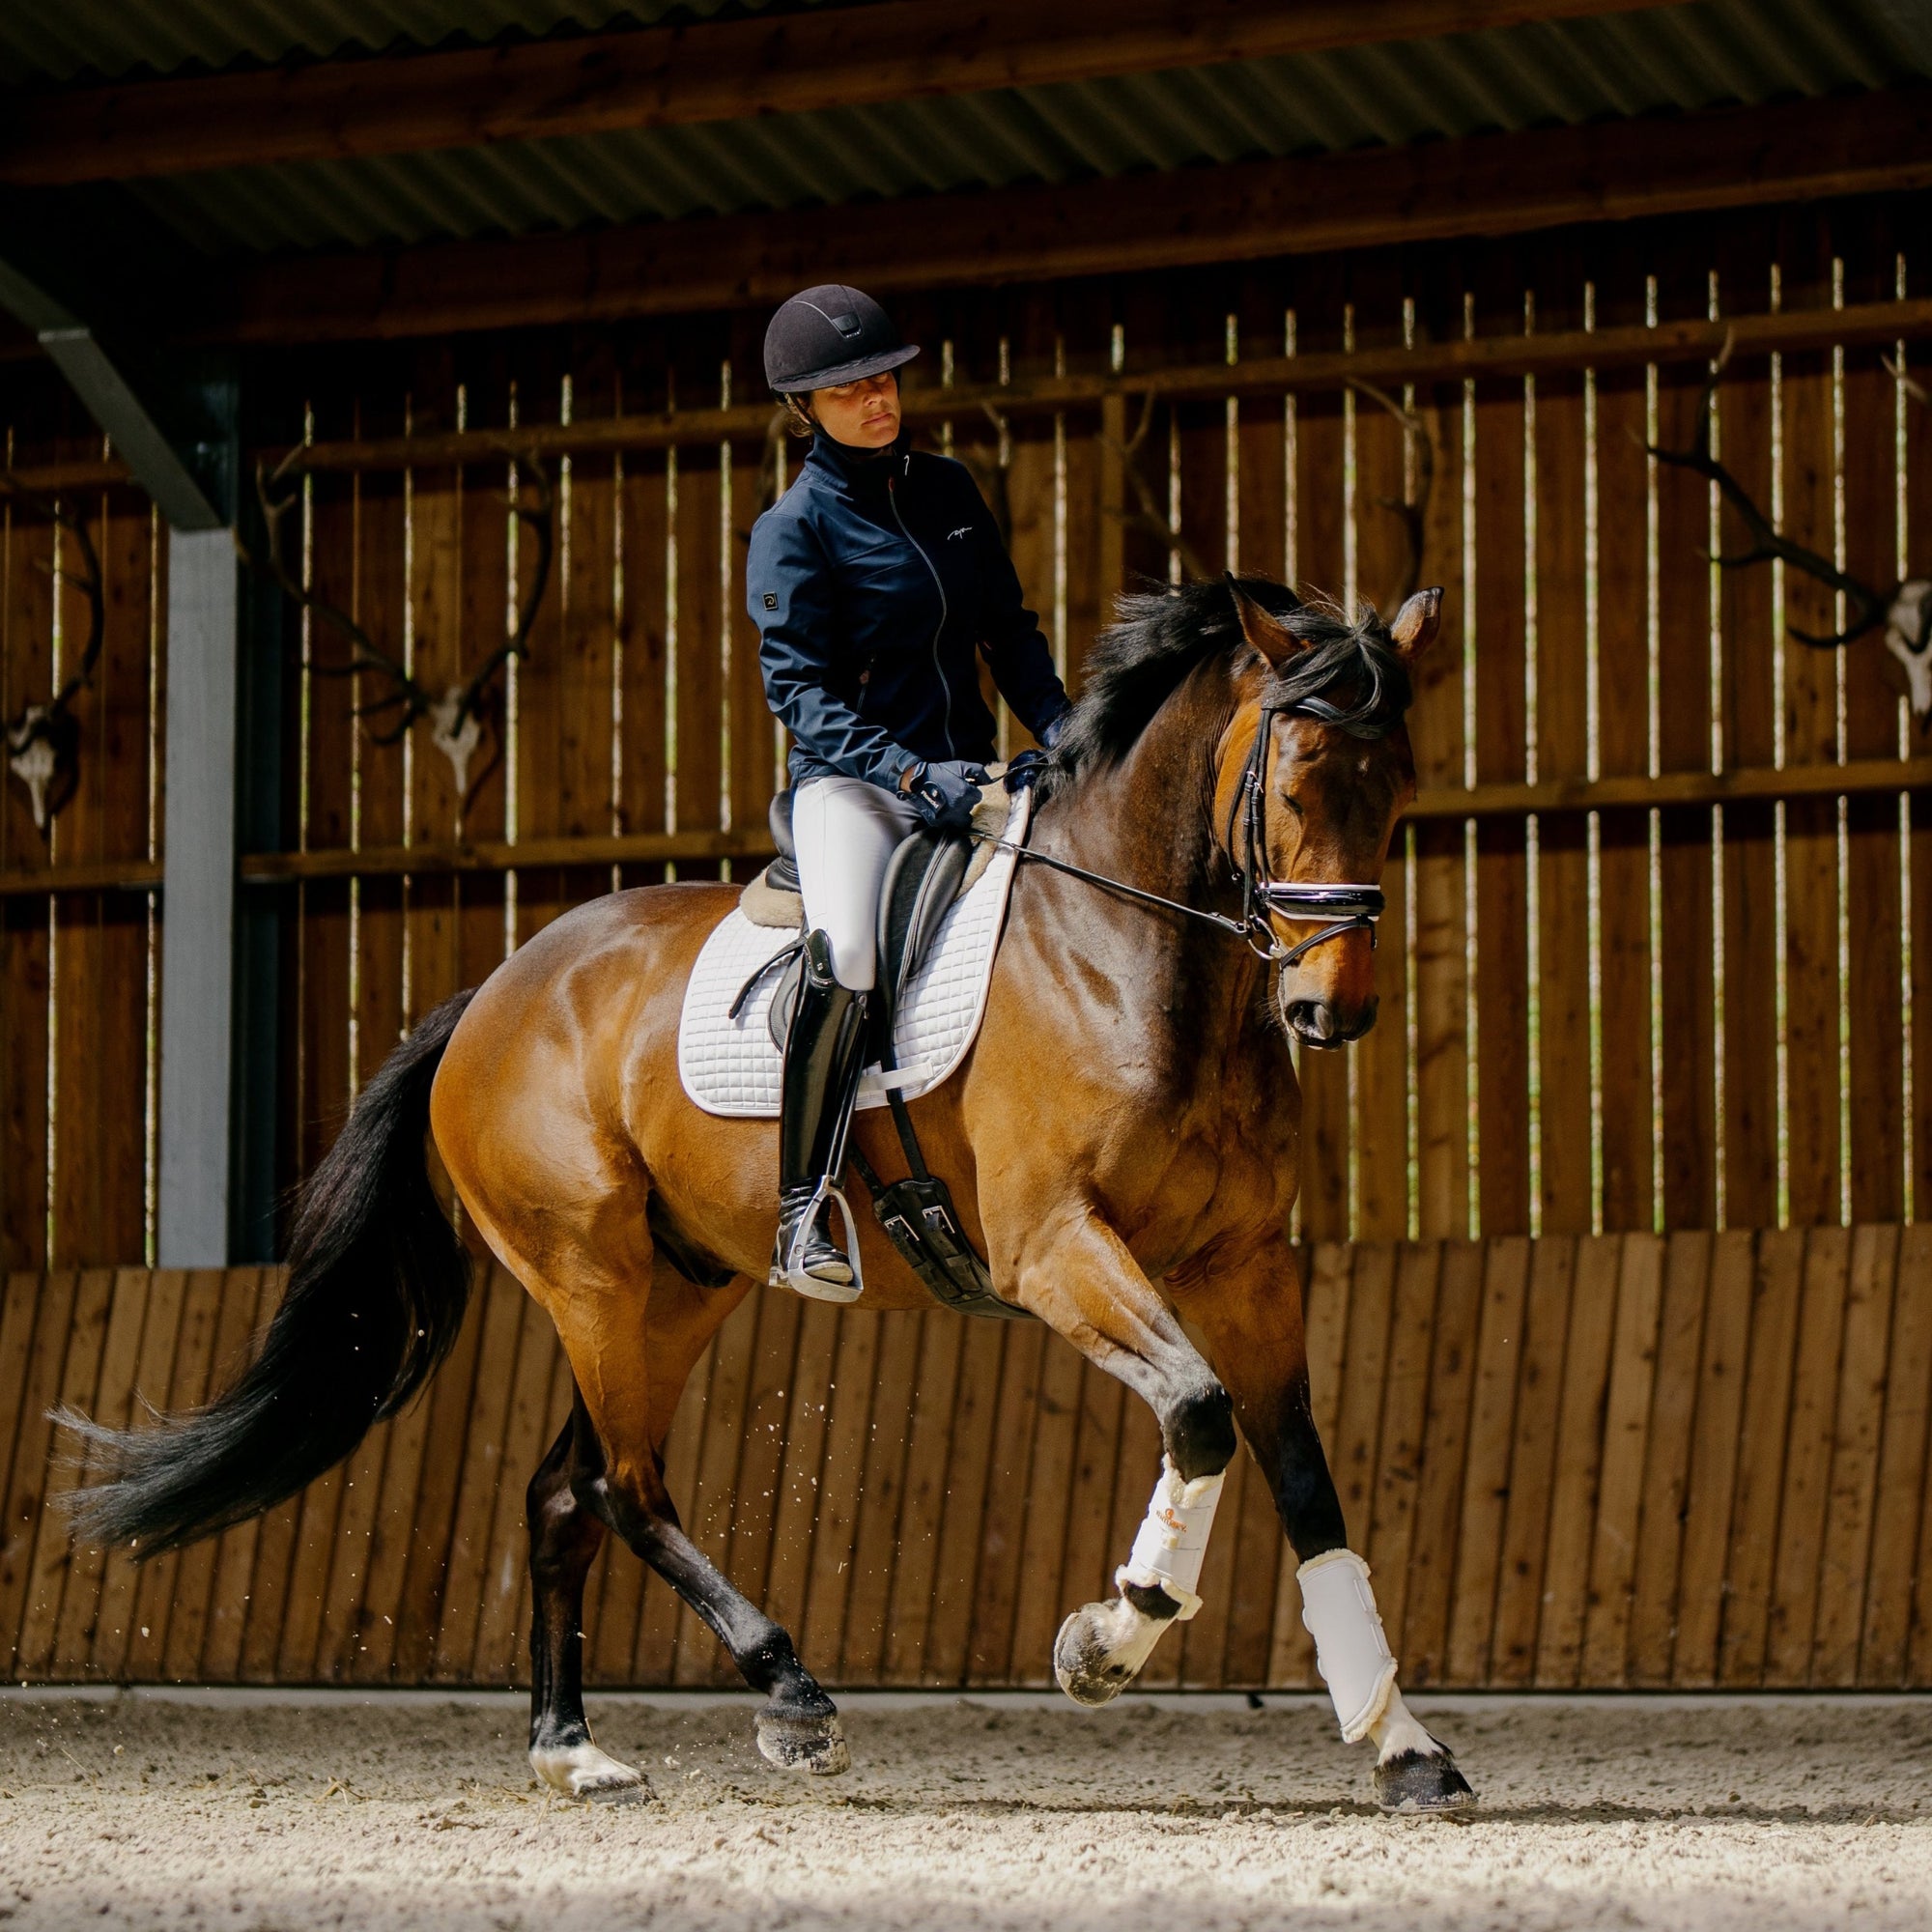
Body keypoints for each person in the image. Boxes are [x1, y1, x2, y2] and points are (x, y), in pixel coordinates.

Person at [747, 284, 1072, 1300]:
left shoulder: (948, 491)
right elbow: (794, 687)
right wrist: (901, 771)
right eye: (849, 389)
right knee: (846, 952)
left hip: (969, 772)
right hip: (854, 789)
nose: (876, 399)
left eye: (883, 378)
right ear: (807, 407)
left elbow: (1007, 632)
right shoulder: (793, 528)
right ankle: (803, 1208)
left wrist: (1063, 730)